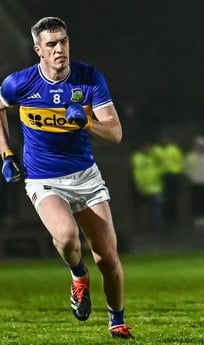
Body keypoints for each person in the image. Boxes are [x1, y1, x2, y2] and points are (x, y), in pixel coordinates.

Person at [0, 17, 133, 338]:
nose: (60, 49)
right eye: (51, 44)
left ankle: (117, 320)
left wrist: (87, 122)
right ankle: (77, 275)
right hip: (44, 179)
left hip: (86, 178)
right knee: (67, 236)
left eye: (63, 41)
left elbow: (114, 133)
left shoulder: (88, 78)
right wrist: (5, 153)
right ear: (38, 51)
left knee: (108, 258)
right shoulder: (19, 84)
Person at [152, 132, 185, 227]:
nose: (164, 140)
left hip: (173, 175)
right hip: (162, 176)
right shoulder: (156, 149)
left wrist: (178, 171)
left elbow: (180, 160)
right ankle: (165, 218)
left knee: (173, 197)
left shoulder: (174, 149)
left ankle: (174, 217)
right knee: (164, 198)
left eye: (165, 138)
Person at [131, 141, 164, 233]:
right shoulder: (137, 157)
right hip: (143, 188)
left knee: (156, 208)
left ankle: (156, 227)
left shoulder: (155, 157)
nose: (148, 149)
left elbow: (163, 162)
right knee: (142, 209)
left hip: (155, 188)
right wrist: (138, 185)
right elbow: (136, 173)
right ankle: (143, 227)